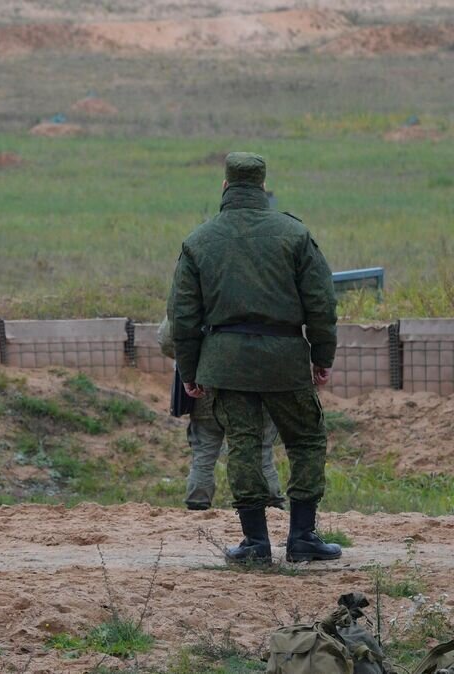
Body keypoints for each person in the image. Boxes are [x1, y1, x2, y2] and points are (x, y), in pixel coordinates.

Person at [168, 152, 341, 564]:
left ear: (225, 187)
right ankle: (302, 536)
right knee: (306, 440)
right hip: (285, 360)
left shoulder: (198, 241)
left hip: (226, 364)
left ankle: (255, 544)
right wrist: (322, 355)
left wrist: (189, 370)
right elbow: (321, 303)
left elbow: (183, 317)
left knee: (242, 444)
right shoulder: (294, 235)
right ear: (263, 188)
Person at [157, 316, 286, 510]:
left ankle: (197, 505)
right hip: (260, 378)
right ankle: (271, 506)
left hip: (208, 379)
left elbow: (168, 338)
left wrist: (193, 358)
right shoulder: (272, 288)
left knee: (204, 449)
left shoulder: (199, 289)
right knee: (261, 449)